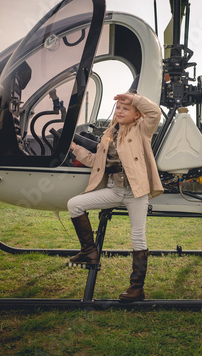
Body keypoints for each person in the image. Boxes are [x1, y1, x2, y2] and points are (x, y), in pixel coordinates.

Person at [67, 92, 164, 302]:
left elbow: (154, 113)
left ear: (137, 115)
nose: (120, 111)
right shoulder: (109, 135)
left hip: (136, 193)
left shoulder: (142, 130)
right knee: (74, 204)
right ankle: (89, 252)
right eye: (118, 108)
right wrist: (75, 148)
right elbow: (95, 160)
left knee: (137, 236)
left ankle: (136, 288)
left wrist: (134, 98)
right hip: (114, 190)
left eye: (126, 108)